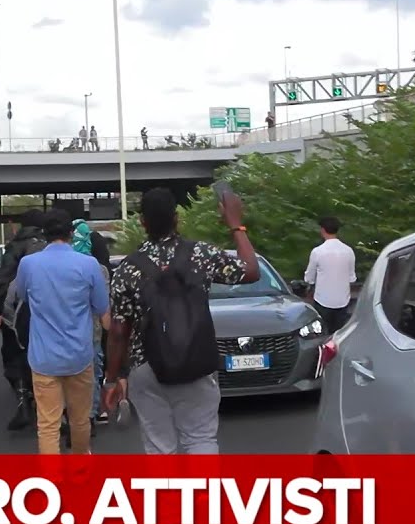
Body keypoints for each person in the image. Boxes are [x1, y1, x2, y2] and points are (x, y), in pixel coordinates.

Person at [103, 187, 259, 454]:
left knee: (160, 447)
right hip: (197, 361)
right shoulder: (201, 255)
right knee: (200, 439)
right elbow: (250, 271)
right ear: (177, 219)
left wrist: (112, 378)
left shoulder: (127, 269)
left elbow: (119, 331)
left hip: (147, 366)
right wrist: (235, 225)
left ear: (143, 223)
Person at [16, 209, 110, 454]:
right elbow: (102, 308)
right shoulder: (89, 265)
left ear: (44, 234)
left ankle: (52, 482)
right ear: (71, 233)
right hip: (80, 355)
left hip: (43, 357)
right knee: (80, 420)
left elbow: (23, 296)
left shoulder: (28, 264)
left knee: (47, 425)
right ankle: (80, 469)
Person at [0, 209, 48, 430]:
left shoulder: (15, 246)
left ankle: (23, 399)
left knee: (14, 354)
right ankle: (51, 407)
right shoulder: (49, 244)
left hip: (16, 310)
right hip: (47, 311)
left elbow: (3, 278)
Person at [70, 219, 110, 426]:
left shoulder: (61, 266)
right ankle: (90, 415)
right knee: (92, 375)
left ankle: (70, 416)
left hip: (63, 333)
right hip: (92, 332)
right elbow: (104, 306)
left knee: (67, 377)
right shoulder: (99, 269)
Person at [303, 216, 356, 334]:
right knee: (338, 334)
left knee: (322, 333)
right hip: (343, 300)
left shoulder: (318, 251)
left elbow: (309, 277)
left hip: (323, 300)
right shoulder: (348, 251)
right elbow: (352, 277)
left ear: (322, 230)